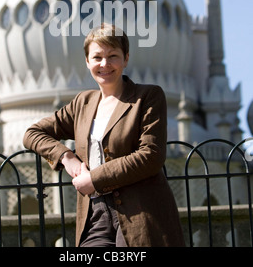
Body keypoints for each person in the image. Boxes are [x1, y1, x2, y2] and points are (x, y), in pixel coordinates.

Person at [23, 23, 185, 247]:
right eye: (97, 57)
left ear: (126, 58)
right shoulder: (83, 104)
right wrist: (66, 157)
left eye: (113, 56)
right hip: (95, 214)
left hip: (140, 214)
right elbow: (33, 133)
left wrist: (94, 179)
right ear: (87, 61)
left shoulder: (147, 97)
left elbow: (151, 156)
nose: (104, 64)